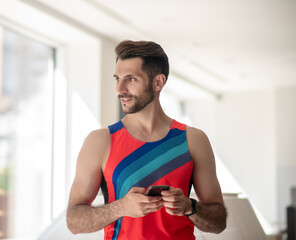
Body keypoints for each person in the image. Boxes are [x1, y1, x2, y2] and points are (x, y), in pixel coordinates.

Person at [66, 40, 227, 240]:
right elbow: (73, 221)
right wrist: (120, 207)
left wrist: (189, 206)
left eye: (131, 79)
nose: (120, 89)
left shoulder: (194, 140)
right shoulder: (100, 142)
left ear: (158, 82)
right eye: (117, 79)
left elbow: (219, 222)